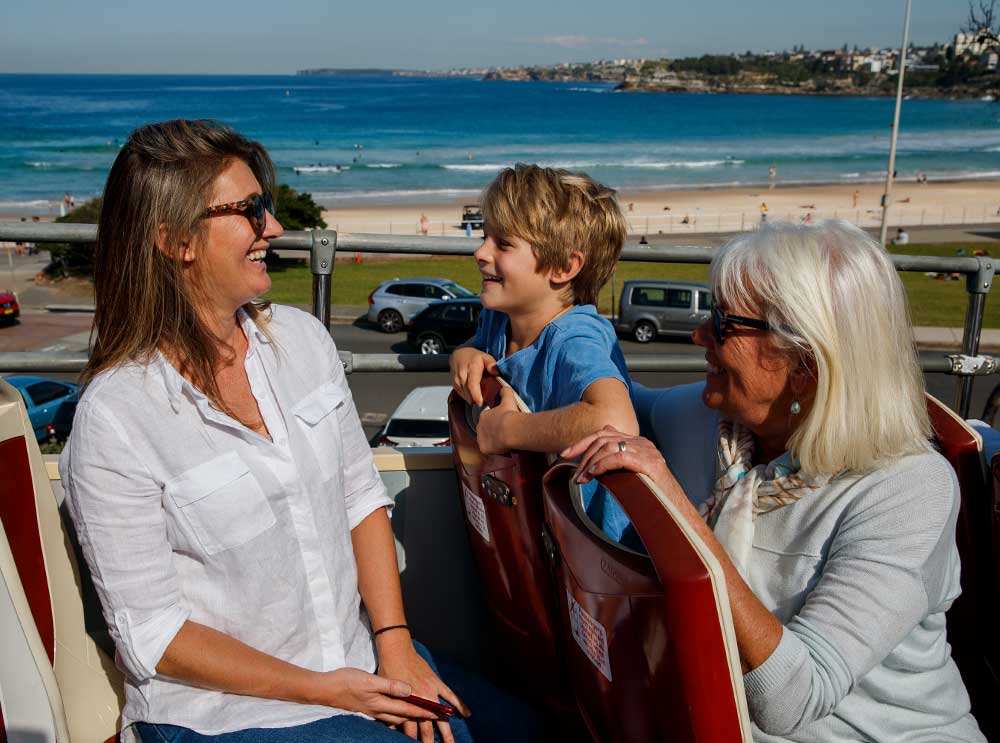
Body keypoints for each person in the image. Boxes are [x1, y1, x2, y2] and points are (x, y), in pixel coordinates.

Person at [61, 120, 537, 743]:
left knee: (526, 730)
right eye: (249, 209)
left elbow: (360, 496)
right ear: (176, 239)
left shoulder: (302, 342)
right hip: (223, 715)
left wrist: (392, 648)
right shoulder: (116, 418)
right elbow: (155, 637)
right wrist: (331, 691)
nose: (275, 227)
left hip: (356, 665)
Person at [564, 220, 985, 741]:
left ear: (805, 362)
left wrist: (677, 510)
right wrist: (492, 359)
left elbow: (792, 699)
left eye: (722, 323)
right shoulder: (716, 424)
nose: (699, 334)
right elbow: (614, 402)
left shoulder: (907, 489)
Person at [450, 164, 638, 541]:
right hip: (542, 528)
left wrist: (506, 430)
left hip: (596, 547)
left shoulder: (573, 339)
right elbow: (475, 346)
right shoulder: (501, 319)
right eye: (486, 236)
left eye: (502, 243)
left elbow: (617, 420)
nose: (480, 252)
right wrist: (465, 354)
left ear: (564, 267)